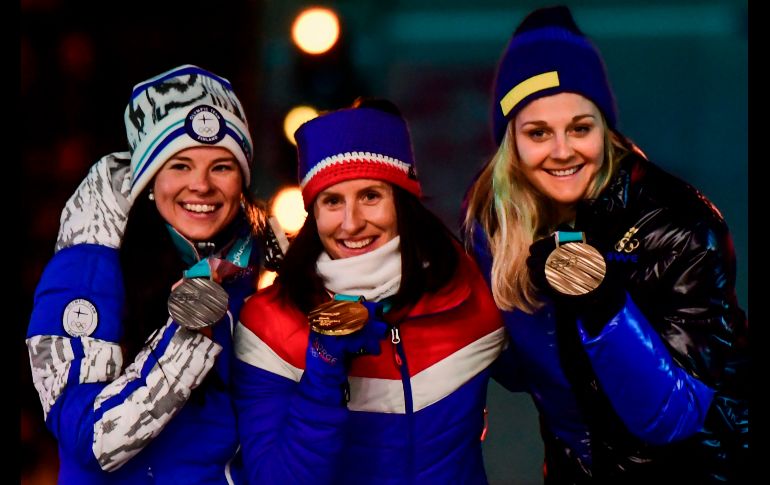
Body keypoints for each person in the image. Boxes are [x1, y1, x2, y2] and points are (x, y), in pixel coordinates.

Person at [462, 5, 749, 484]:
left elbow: (671, 417)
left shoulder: (679, 226)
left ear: (606, 128)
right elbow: (518, 368)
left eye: (580, 127)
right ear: (511, 141)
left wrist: (602, 304)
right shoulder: (494, 221)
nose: (562, 150)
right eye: (538, 133)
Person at [233, 98, 505, 484]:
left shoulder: (471, 291)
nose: (352, 222)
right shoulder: (268, 325)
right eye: (332, 201)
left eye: (370, 196)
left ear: (402, 200)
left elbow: (553, 386)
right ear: (313, 212)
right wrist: (324, 369)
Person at [26, 64, 271, 484]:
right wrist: (188, 332)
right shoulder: (91, 267)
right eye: (179, 165)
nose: (201, 185)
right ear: (150, 180)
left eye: (221, 167)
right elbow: (93, 440)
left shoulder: (258, 270)